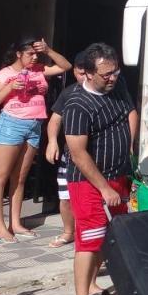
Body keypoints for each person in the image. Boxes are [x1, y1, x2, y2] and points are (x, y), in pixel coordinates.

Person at [59, 42, 138, 295]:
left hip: (119, 175)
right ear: (87, 74)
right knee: (89, 239)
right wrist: (103, 187)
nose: (112, 78)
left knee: (114, 235)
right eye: (106, 74)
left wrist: (130, 146)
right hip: (89, 181)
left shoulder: (117, 87)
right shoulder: (78, 105)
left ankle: (97, 285)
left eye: (115, 71)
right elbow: (78, 153)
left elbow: (130, 112)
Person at [0, 36, 71, 243]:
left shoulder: (39, 70)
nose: (34, 58)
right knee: (0, 176)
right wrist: (9, 88)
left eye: (36, 54)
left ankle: (16, 223)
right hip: (11, 124)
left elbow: (66, 66)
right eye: (29, 54)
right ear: (18, 54)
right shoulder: (5, 74)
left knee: (20, 177)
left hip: (34, 125)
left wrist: (48, 51)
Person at [44, 52, 91, 249]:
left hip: (94, 156)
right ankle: (68, 231)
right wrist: (52, 141)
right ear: (74, 72)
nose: (84, 77)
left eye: (87, 73)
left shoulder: (104, 93)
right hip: (69, 156)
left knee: (90, 199)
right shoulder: (69, 92)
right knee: (65, 196)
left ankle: (89, 235)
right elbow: (55, 119)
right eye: (80, 73)